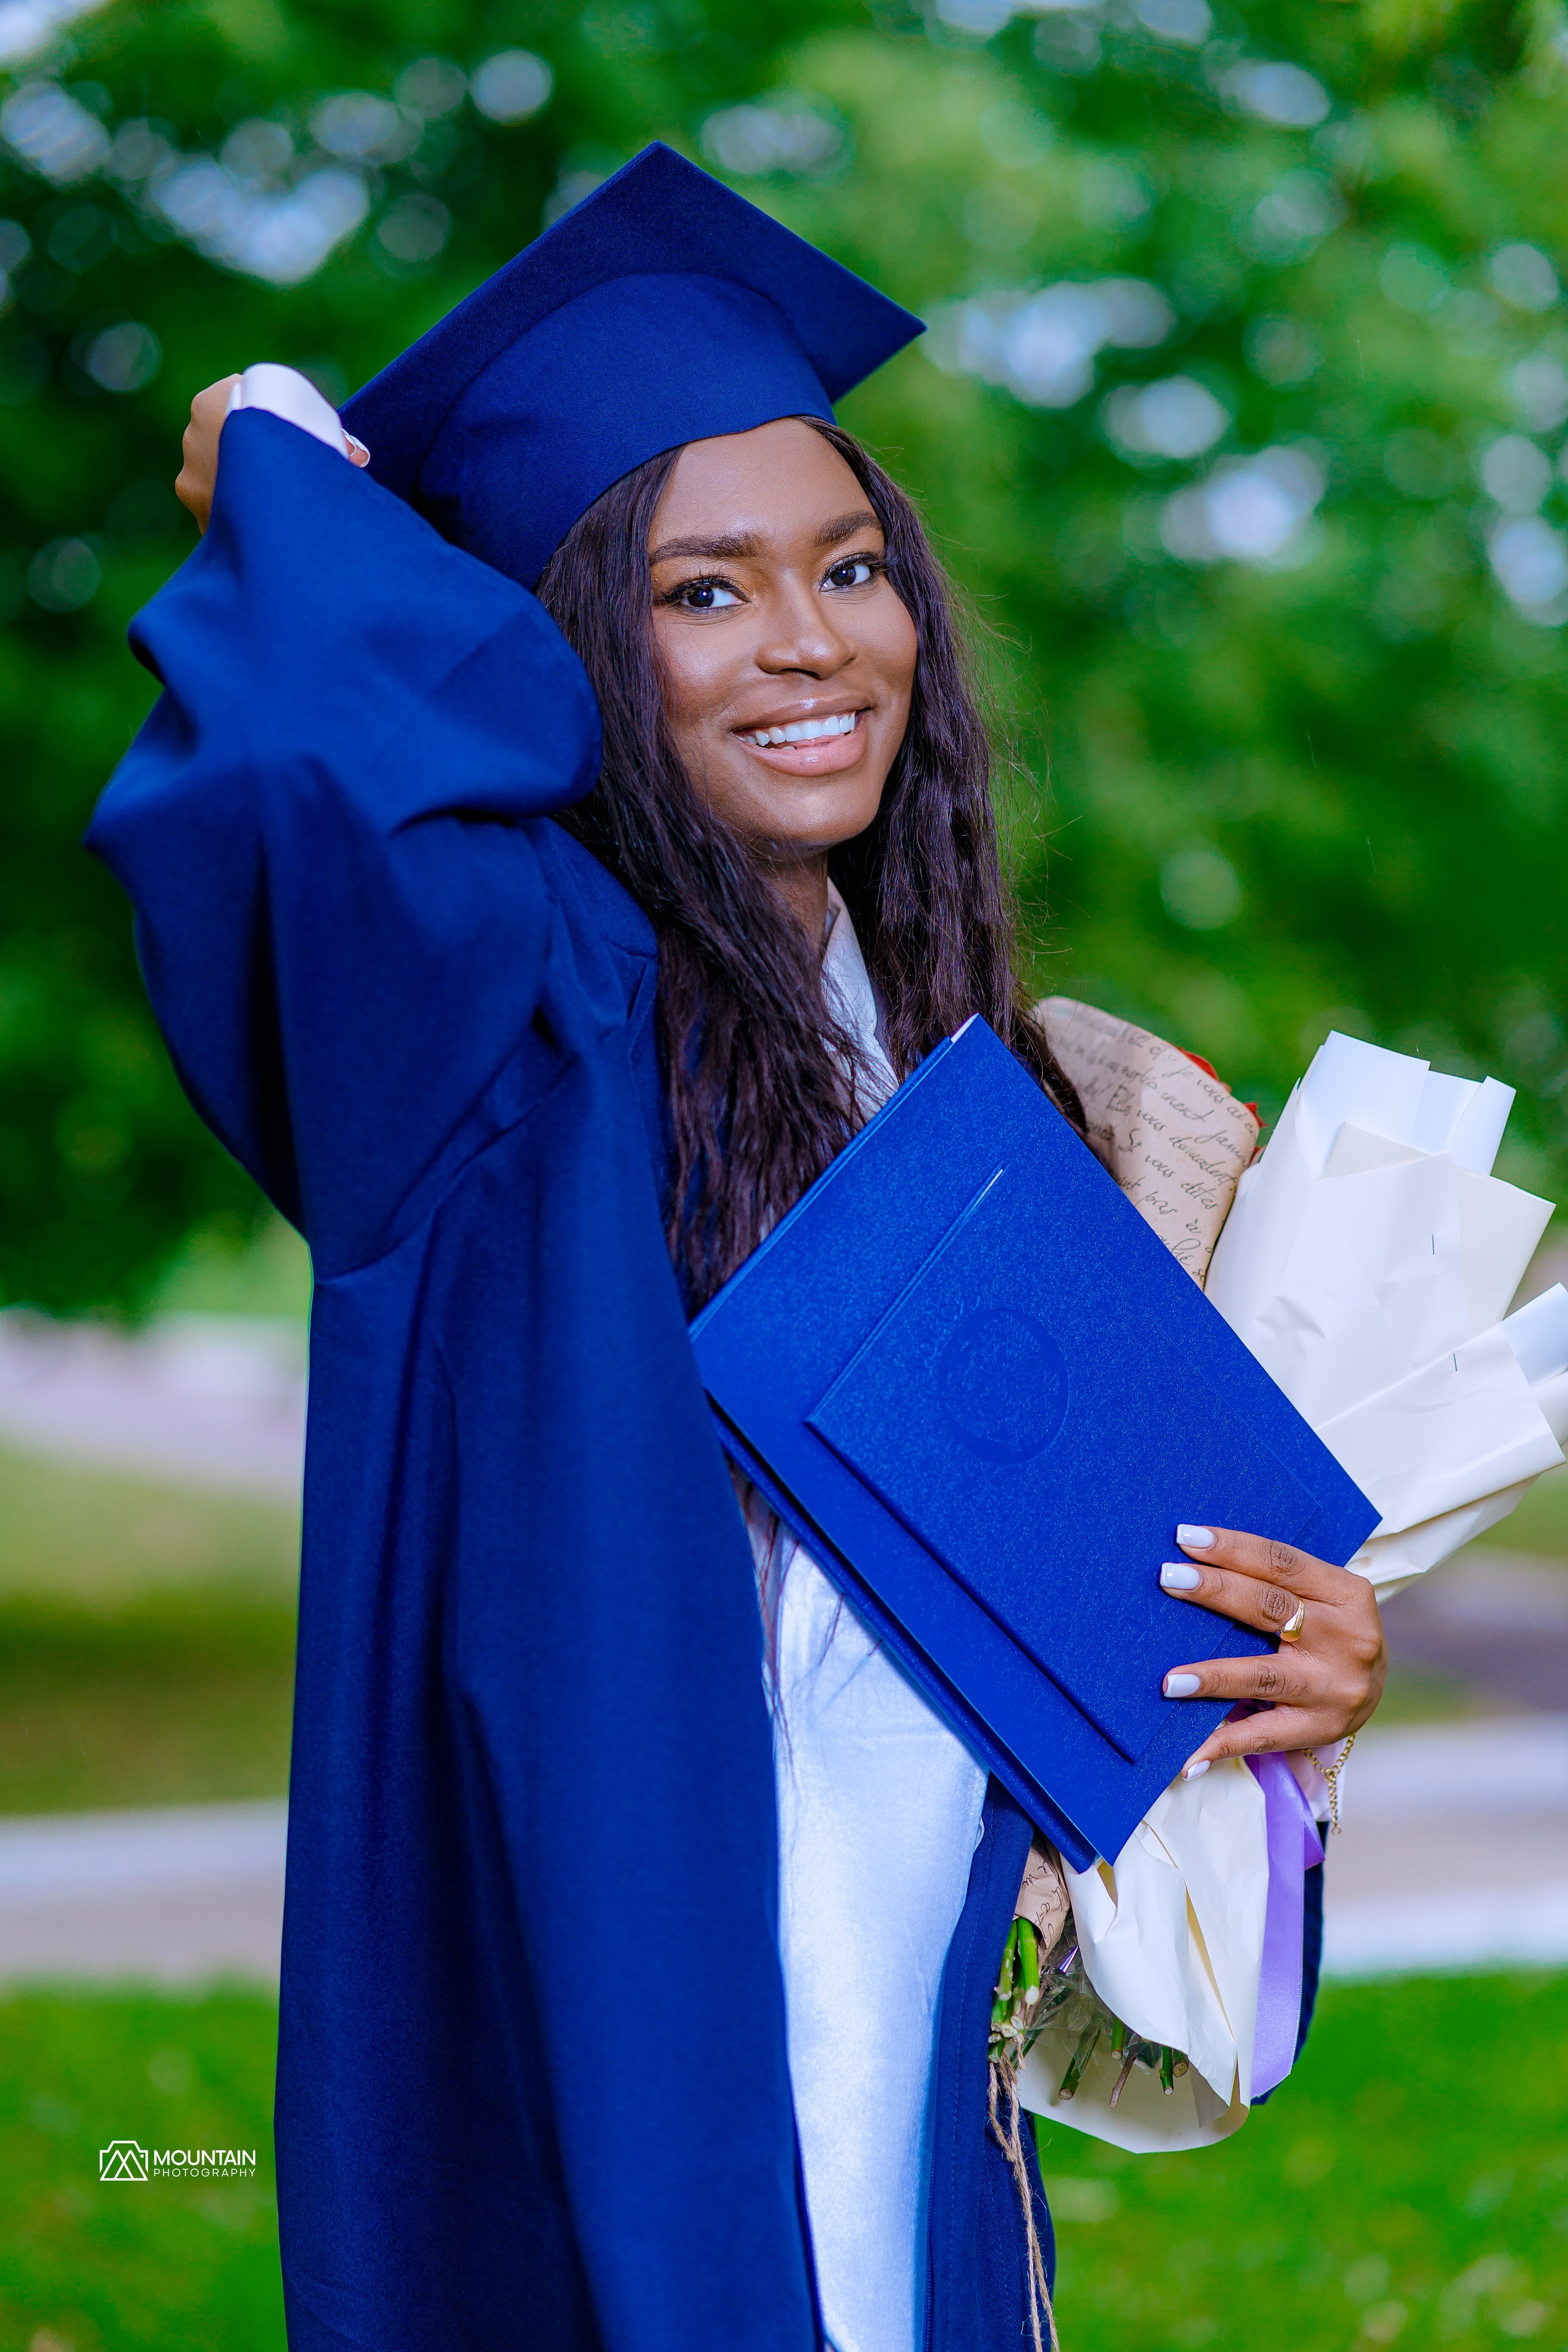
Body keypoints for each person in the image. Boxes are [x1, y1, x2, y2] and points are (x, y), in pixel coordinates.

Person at [88, 144, 1386, 2352]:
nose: (810, 641)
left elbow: (1083, 1687)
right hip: (614, 2068)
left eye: (852, 567)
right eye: (702, 592)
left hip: (913, 2103)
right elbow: (304, 770)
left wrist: (1295, 1679)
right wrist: (285, 477)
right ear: (567, 647)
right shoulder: (514, 1035)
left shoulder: (975, 1107)